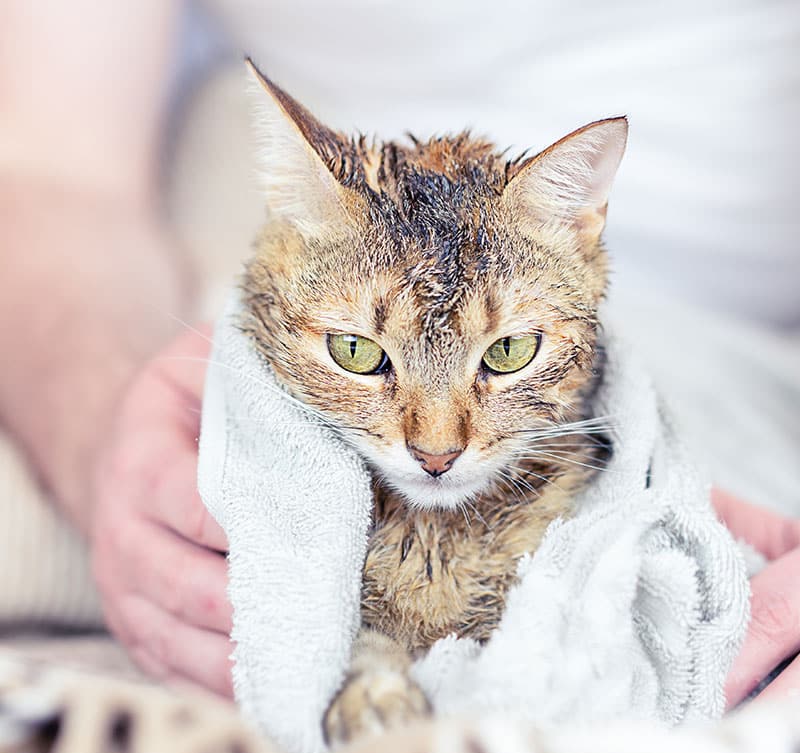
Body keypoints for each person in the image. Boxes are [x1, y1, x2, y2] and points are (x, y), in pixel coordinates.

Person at [1, 0, 797, 705]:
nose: (438, 443)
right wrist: (112, 455)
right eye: (362, 355)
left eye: (507, 353)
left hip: (747, 337)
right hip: (259, 224)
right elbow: (48, 178)